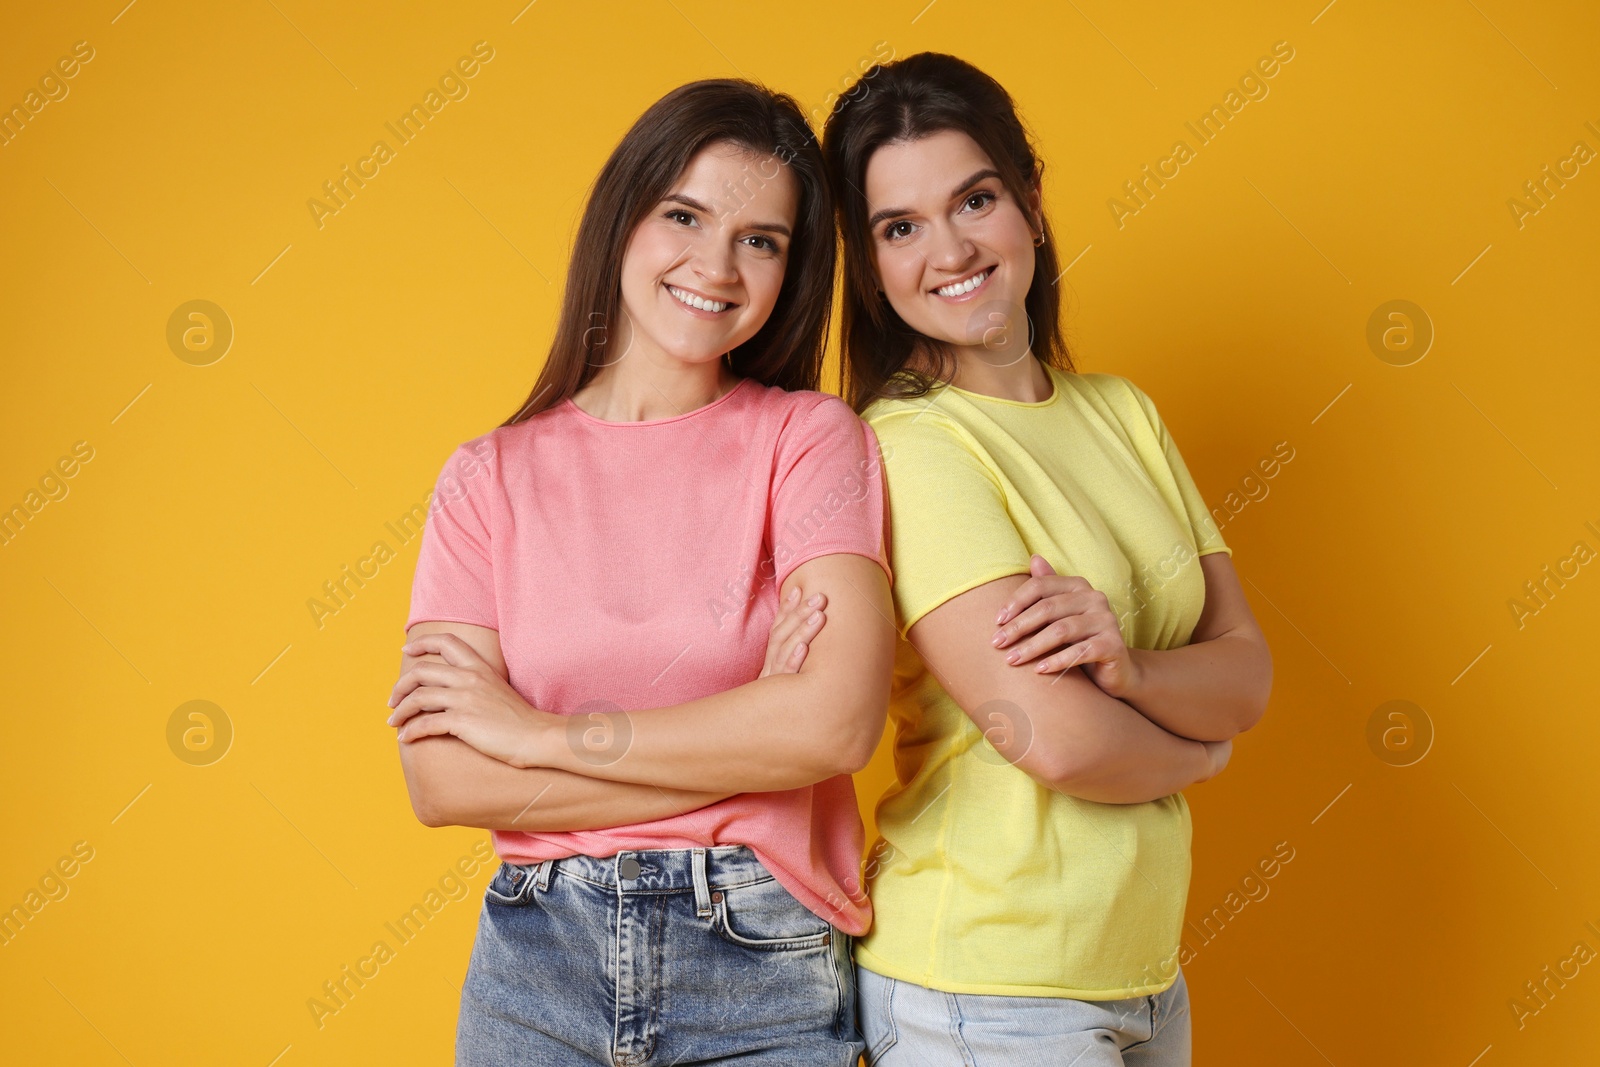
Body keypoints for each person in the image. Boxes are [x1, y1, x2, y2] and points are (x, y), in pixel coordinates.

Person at [386, 78, 897, 1066]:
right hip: (535, 967)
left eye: (762, 239)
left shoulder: (808, 442)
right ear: (623, 217)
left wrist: (534, 737)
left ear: (792, 271)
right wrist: (750, 751)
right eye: (685, 215)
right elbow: (443, 776)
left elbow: (834, 724)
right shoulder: (486, 476)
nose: (717, 263)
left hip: (760, 959)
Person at [822, 52, 1273, 1065]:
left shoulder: (1123, 413)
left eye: (972, 199)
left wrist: (1133, 667)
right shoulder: (908, 446)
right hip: (983, 982)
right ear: (869, 260)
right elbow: (1053, 735)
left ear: (1027, 198)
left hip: (1143, 968)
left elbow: (1246, 667)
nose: (948, 250)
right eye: (900, 227)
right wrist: (1199, 753)